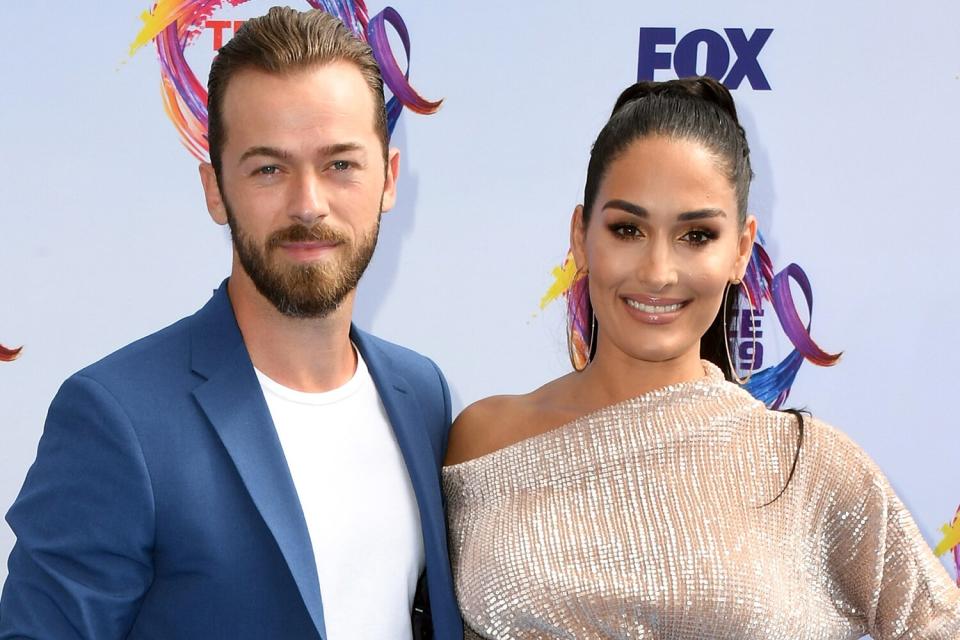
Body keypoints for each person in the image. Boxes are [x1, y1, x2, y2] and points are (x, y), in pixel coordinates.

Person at [0, 8, 460, 640]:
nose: (308, 203)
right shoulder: (117, 418)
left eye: (340, 164)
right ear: (215, 189)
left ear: (389, 179)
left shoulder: (421, 394)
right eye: (269, 168)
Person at [443, 77, 960, 639]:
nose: (658, 272)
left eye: (696, 235)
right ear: (580, 236)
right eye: (627, 229)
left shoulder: (807, 466)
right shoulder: (485, 441)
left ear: (740, 249)